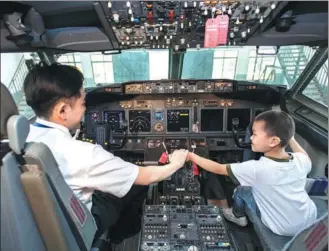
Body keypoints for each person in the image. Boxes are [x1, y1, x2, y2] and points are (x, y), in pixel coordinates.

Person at [24, 63, 188, 242]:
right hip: (80, 226)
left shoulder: (22, 137)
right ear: (62, 110)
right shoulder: (83, 154)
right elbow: (146, 176)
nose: (85, 109)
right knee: (137, 185)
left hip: (46, 221)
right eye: (83, 103)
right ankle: (123, 234)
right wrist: (177, 163)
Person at [186, 110, 317, 236]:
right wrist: (290, 138)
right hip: (308, 218)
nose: (250, 138)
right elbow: (304, 156)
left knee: (241, 190)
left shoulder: (256, 169)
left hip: (282, 227)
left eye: (254, 134)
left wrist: (191, 156)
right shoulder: (301, 161)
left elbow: (218, 168)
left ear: (274, 141)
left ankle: (238, 216)